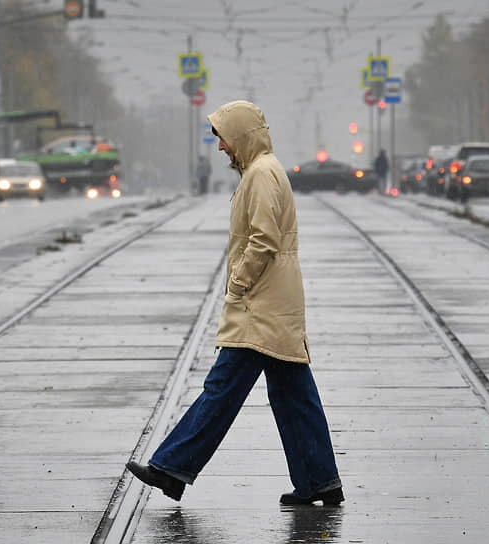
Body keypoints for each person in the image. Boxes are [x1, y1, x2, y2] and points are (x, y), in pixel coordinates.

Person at [126, 100, 343, 506]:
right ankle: (320, 480)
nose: (222, 146)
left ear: (241, 135)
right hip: (274, 298)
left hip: (261, 302)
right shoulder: (264, 170)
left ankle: (171, 468)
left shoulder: (261, 174)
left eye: (224, 137)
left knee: (222, 388)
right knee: (292, 393)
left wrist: (237, 286)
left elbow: (263, 239)